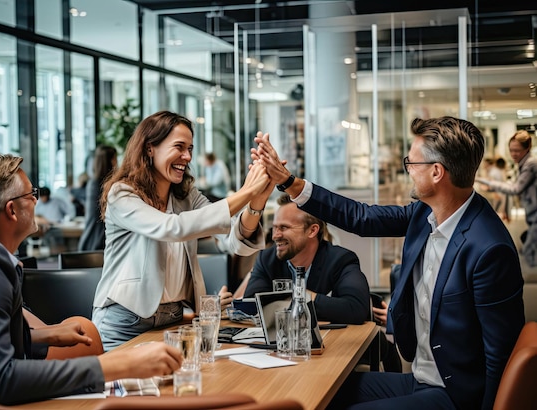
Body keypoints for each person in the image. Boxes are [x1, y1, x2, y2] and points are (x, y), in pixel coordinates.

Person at [253, 116, 525, 410]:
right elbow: (362, 217)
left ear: (436, 172)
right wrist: (291, 183)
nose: (407, 169)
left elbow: (501, 353)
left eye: (412, 163)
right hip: (421, 379)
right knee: (315, 391)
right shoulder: (425, 214)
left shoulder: (489, 248)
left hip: (456, 394)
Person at [0, 154, 182, 410]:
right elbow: (0, 381)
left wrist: (42, 336)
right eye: (31, 195)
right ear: (11, 211)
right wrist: (117, 364)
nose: (36, 202)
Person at [92, 111, 273, 350]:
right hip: (124, 322)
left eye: (190, 148)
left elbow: (234, 241)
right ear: (150, 149)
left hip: (174, 319)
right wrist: (245, 192)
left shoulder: (186, 194)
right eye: (179, 147)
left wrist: (257, 201)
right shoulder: (122, 193)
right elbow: (171, 228)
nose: (187, 156)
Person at [243, 194, 370, 324]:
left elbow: (356, 309)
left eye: (284, 227)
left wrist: (299, 295)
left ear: (312, 230)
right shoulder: (267, 259)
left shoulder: (341, 260)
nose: (275, 236)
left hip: (334, 341)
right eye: (274, 227)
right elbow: (250, 307)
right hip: (282, 340)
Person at [477, 130, 537, 265]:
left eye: (517, 150)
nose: (513, 154)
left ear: (527, 148)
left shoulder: (531, 164)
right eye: (511, 150)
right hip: (532, 215)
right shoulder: (523, 164)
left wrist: (487, 182)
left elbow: (515, 189)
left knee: (528, 251)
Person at [78, 145, 118, 251]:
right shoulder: (106, 185)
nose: (117, 162)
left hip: (92, 237)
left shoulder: (93, 183)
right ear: (110, 161)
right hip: (99, 241)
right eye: (115, 158)